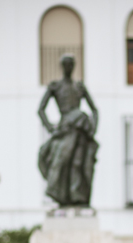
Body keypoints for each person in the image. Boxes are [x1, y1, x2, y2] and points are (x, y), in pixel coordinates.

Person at [37, 54, 99, 207]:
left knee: (79, 164)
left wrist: (93, 130)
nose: (68, 67)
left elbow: (95, 110)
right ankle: (61, 196)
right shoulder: (55, 86)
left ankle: (77, 197)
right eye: (65, 64)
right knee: (60, 162)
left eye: (71, 64)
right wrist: (51, 128)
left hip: (81, 129)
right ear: (61, 66)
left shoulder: (79, 87)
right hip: (65, 128)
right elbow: (40, 110)